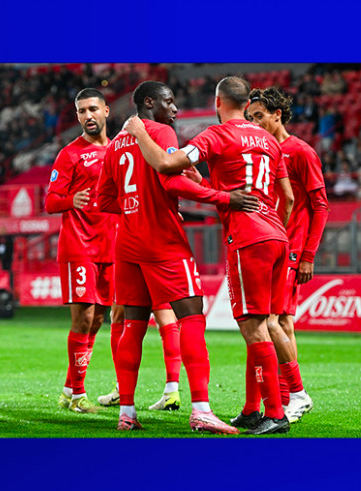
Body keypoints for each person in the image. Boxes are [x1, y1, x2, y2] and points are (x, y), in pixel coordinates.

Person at [124, 76, 293, 435]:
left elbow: (166, 165)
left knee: (254, 328)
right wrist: (204, 184)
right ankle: (253, 409)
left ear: (218, 102)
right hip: (277, 235)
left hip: (248, 238)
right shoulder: (269, 139)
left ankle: (276, 413)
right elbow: (286, 197)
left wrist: (139, 133)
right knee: (263, 324)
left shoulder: (216, 136)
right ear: (247, 104)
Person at [98, 80, 257, 433]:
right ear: (149, 102)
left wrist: (136, 208)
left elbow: (103, 199)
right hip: (163, 241)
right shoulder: (160, 133)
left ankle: (127, 412)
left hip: (127, 244)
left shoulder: (115, 144)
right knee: (191, 317)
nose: (174, 109)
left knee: (132, 325)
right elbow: (171, 180)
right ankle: (201, 409)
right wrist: (224, 197)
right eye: (168, 102)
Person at [247, 87, 330, 423]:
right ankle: (284, 398)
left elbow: (320, 206)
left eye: (259, 116)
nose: (254, 123)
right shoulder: (263, 152)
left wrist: (308, 255)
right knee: (282, 322)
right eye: (250, 117)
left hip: (292, 247)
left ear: (277, 115)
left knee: (271, 321)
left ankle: (296, 394)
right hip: (271, 245)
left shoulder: (301, 152)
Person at [44, 88, 116, 413]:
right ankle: (78, 395)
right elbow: (50, 201)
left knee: (98, 318)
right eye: (82, 111)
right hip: (79, 245)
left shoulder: (117, 150)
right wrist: (70, 200)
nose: (88, 115)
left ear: (106, 111)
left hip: (110, 246)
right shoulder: (70, 154)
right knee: (83, 318)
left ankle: (68, 389)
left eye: (93, 109)